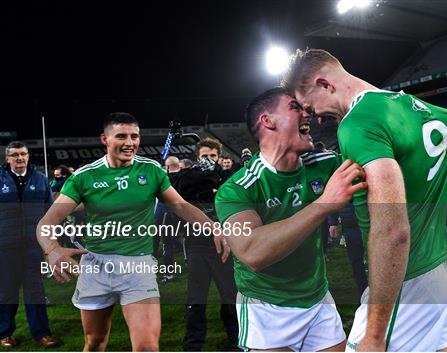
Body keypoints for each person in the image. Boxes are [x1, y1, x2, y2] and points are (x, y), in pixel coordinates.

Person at [281, 48, 447, 352]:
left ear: (324, 83)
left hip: (407, 281)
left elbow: (392, 230)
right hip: (441, 268)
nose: (315, 118)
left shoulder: (357, 124)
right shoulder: (409, 104)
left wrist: (374, 335)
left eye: (309, 105)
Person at [36, 112, 219, 352]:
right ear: (105, 139)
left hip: (138, 266)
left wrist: (214, 228)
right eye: (121, 136)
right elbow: (45, 223)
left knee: (147, 347)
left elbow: (181, 206)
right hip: (96, 266)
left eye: (135, 136)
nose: (130, 143)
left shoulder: (152, 170)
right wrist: (52, 250)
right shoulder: (84, 177)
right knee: (95, 342)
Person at [215, 87, 367, 351]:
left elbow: (382, 162)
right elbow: (253, 253)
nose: (307, 113)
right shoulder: (238, 188)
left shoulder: (325, 164)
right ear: (268, 121)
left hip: (318, 298)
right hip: (267, 307)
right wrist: (322, 204)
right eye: (296, 108)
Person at [174, 138, 238, 352]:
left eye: (212, 156)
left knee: (230, 295)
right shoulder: (188, 177)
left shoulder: (229, 176)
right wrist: (201, 174)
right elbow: (179, 191)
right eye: (204, 156)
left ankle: (236, 339)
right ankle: (193, 345)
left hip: (226, 244)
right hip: (197, 243)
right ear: (197, 157)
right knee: (196, 297)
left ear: (219, 156)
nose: (209, 160)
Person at [0, 141, 59, 348]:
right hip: (5, 247)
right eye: (14, 155)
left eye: (23, 154)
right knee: (7, 292)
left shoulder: (41, 180)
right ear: (7, 158)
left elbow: (50, 214)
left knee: (35, 290)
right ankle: (4, 333)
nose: (19, 158)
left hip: (33, 247)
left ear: (28, 156)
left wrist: (49, 245)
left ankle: (41, 333)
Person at [328, 202, 367, 304]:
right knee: (356, 263)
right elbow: (336, 198)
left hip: (371, 223)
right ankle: (363, 296)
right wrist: (333, 222)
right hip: (350, 225)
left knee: (376, 261)